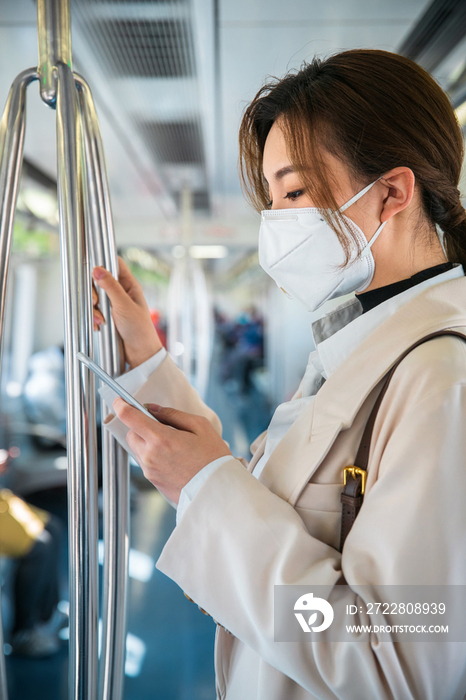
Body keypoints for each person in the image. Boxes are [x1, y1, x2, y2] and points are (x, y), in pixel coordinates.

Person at [92, 49, 466, 699]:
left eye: (294, 192)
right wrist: (146, 363)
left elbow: (396, 665)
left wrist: (209, 490)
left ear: (393, 192)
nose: (278, 222)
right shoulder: (359, 344)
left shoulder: (442, 378)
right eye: (273, 199)